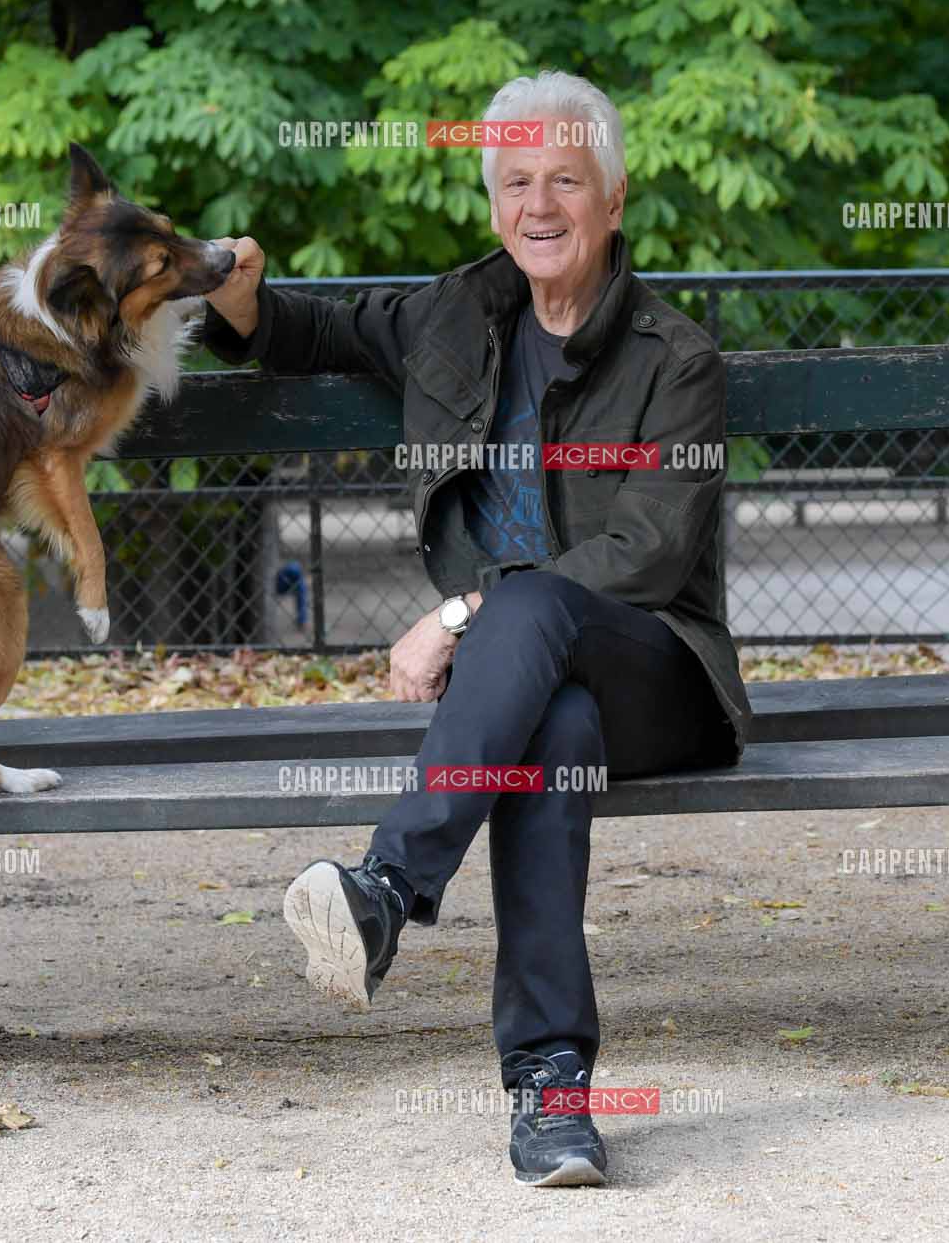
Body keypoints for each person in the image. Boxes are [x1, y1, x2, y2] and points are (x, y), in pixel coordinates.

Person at [198, 69, 748, 1186]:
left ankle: (391, 889)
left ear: (614, 197)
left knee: (540, 604)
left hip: (662, 675)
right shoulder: (454, 316)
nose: (538, 207)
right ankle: (552, 1093)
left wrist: (456, 613)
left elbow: (649, 554)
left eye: (565, 181)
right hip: (536, 695)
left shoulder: (673, 359)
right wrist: (243, 292)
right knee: (552, 735)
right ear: (491, 195)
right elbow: (304, 331)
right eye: (514, 182)